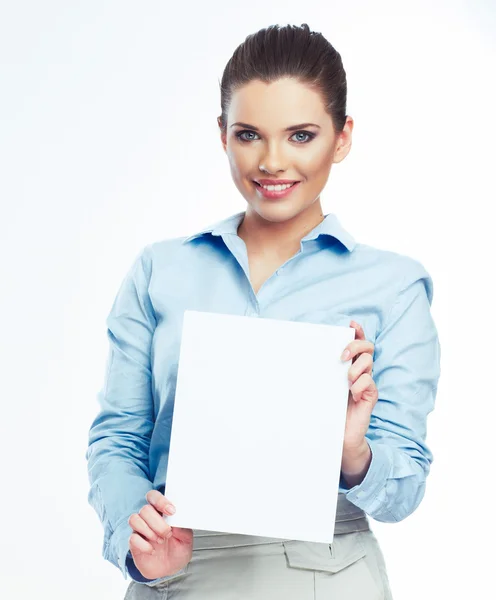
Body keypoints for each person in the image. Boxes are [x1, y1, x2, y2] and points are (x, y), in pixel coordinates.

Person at [86, 23, 441, 599]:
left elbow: (404, 489)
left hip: (326, 576)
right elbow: (119, 438)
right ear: (222, 134)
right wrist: (137, 540)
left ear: (342, 137)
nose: (272, 161)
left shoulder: (394, 286)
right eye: (250, 134)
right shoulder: (161, 271)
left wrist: (352, 451)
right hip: (173, 573)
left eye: (301, 135)